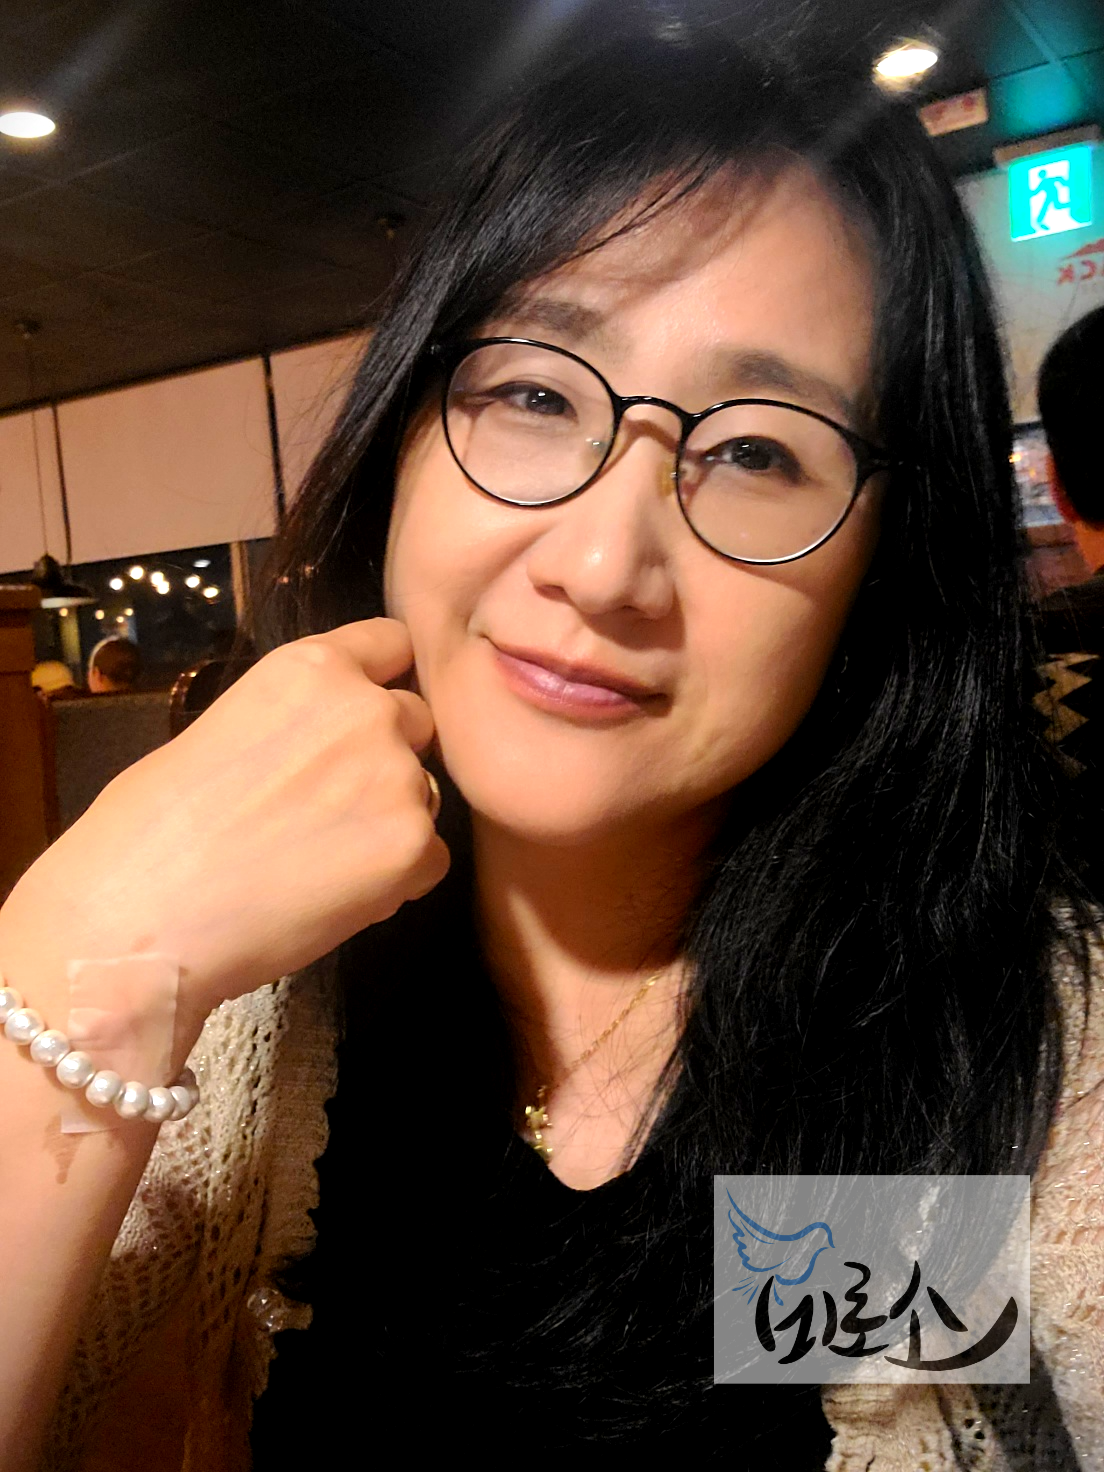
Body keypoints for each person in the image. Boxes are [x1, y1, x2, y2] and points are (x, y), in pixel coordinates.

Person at [1, 17, 1101, 1471]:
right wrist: (89, 961)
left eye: (757, 451)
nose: (599, 566)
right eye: (534, 394)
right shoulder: (234, 1008)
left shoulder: (1017, 1047)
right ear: (402, 434)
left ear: (886, 567)